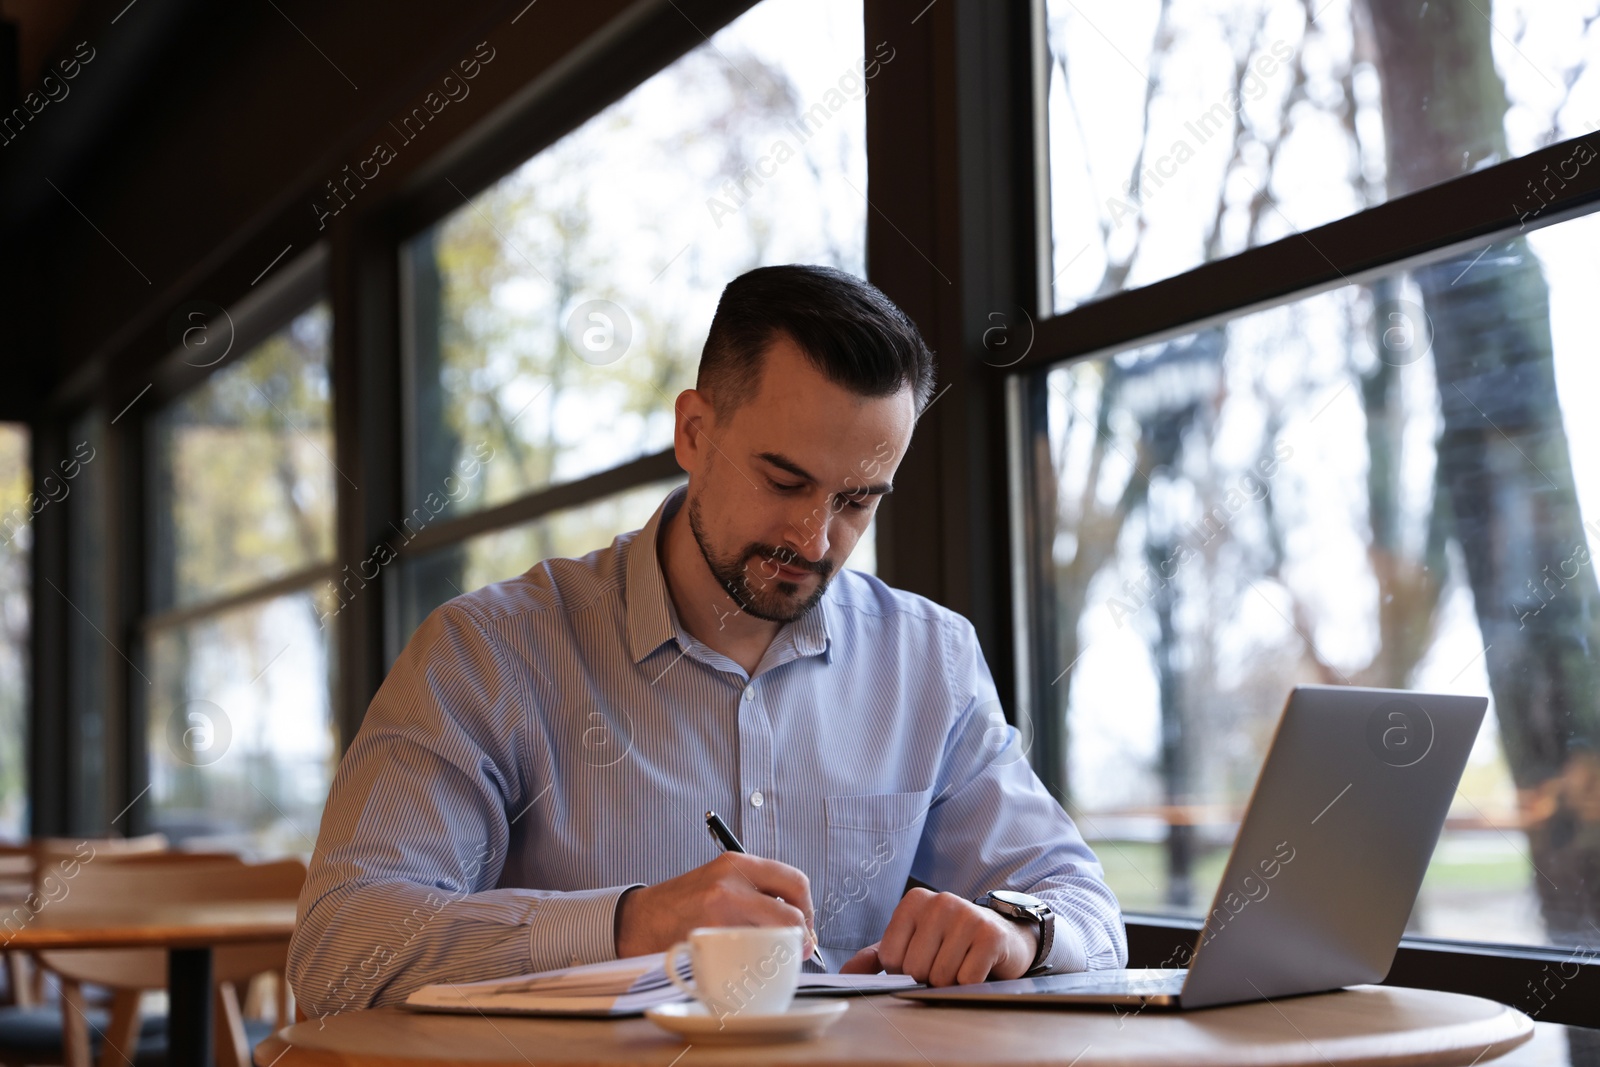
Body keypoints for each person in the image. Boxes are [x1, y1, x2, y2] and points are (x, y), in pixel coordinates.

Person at [287, 264, 1126, 1017]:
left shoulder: (929, 661)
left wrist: (1016, 929)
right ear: (694, 431)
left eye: (858, 500)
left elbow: (1081, 899)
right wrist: (628, 923)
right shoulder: (491, 651)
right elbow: (339, 945)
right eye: (785, 480)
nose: (814, 535)